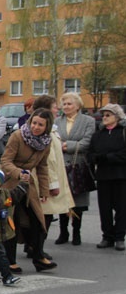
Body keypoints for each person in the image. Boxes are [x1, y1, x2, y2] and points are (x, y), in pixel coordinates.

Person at [1, 108, 57, 273]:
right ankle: (10, 261)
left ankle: (38, 257)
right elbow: (5, 161)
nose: (36, 127)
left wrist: (44, 191)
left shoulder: (46, 142)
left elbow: (42, 166)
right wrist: (19, 173)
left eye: (40, 125)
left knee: (38, 221)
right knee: (13, 223)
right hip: (10, 183)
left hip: (28, 185)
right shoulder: (18, 136)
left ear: (47, 127)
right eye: (34, 123)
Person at [30, 95, 75, 263]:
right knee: (43, 218)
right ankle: (37, 250)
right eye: (55, 106)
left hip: (48, 181)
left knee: (43, 218)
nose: (58, 109)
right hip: (45, 183)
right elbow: (49, 161)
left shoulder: (50, 129)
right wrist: (52, 184)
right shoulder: (44, 132)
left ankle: (36, 248)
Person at [54, 92, 96, 246]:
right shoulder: (57, 121)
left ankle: (76, 232)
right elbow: (54, 140)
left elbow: (87, 141)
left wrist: (67, 145)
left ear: (78, 105)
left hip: (79, 166)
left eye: (69, 104)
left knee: (78, 202)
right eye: (64, 104)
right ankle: (63, 232)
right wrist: (63, 145)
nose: (66, 107)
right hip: (61, 165)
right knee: (62, 200)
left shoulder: (88, 121)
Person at [88, 104, 126, 251]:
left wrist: (106, 157)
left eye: (108, 115)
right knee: (104, 208)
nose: (104, 118)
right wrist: (99, 158)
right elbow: (91, 155)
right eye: (103, 115)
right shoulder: (98, 135)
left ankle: (119, 237)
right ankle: (107, 236)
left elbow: (123, 155)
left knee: (121, 208)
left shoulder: (122, 133)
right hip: (103, 176)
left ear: (116, 117)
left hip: (120, 176)